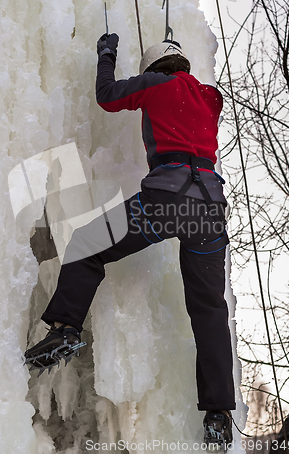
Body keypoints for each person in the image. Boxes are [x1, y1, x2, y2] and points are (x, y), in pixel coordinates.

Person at [25, 33, 235, 446]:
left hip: (166, 199)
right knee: (209, 310)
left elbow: (107, 95)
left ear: (154, 68)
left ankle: (65, 329)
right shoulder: (211, 98)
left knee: (88, 243)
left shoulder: (154, 84)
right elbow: (197, 95)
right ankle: (218, 412)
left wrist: (107, 54)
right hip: (208, 209)